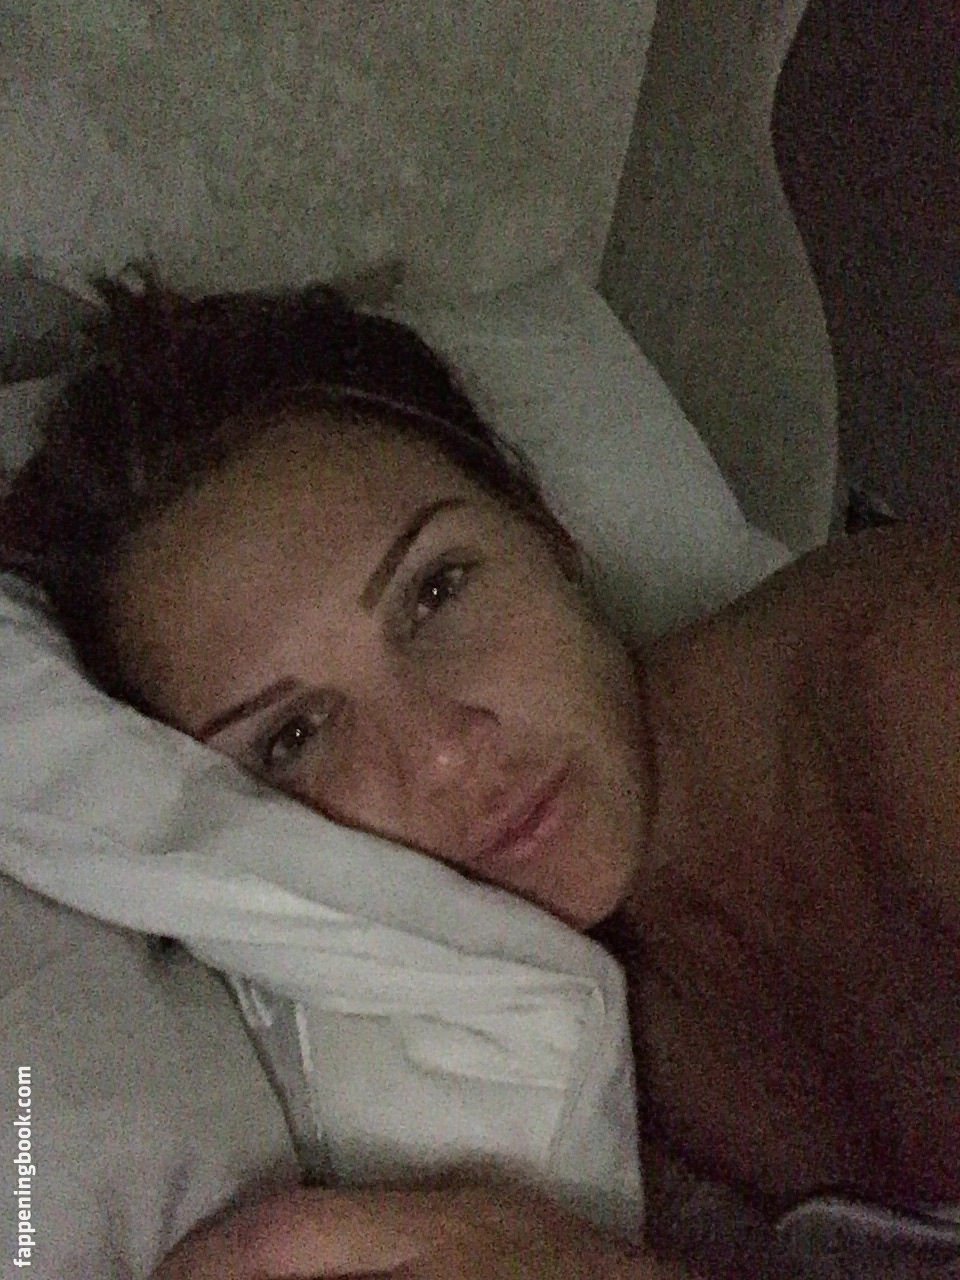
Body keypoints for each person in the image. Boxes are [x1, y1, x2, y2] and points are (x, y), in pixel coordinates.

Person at [3, 271, 959, 1277]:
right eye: (295, 735)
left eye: (436, 592)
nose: (443, 749)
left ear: (543, 528)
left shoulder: (909, 684)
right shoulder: (522, 1023)